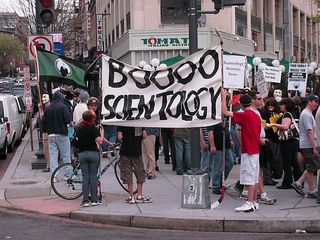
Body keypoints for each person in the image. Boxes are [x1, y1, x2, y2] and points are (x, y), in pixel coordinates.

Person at [222, 89, 261, 213]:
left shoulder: (245, 115)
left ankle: (249, 202)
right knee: (254, 178)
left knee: (249, 178)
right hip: (255, 149)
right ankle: (254, 202)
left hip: (248, 150)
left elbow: (225, 112)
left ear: (241, 104)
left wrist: (223, 97)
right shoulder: (256, 115)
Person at [270, 98, 302, 189]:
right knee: (293, 161)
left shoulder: (287, 114)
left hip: (287, 141)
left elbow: (285, 126)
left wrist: (273, 124)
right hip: (294, 140)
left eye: (281, 104)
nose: (280, 106)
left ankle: (287, 182)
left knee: (287, 162)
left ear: (286, 105)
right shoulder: (293, 113)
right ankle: (298, 180)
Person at [292, 94, 319, 198]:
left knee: (311, 167)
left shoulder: (307, 113)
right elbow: (310, 132)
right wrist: (314, 147)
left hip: (306, 144)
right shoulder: (307, 114)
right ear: (309, 102)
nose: (316, 104)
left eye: (317, 102)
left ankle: (312, 190)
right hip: (308, 144)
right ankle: (298, 183)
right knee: (312, 166)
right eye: (315, 102)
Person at [76, 110, 104, 207]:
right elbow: (100, 141)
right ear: (92, 118)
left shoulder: (79, 128)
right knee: (93, 177)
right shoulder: (93, 128)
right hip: (93, 153)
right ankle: (95, 200)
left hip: (82, 154)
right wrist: (102, 131)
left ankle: (85, 201)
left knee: (85, 178)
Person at [117, 127, 152, 204]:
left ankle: (132, 196)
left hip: (125, 152)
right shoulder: (138, 124)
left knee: (127, 174)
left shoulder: (122, 123)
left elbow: (120, 137)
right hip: (137, 152)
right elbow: (144, 136)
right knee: (139, 173)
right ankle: (139, 195)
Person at [42, 91, 72, 177]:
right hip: (62, 134)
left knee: (53, 156)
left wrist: (46, 131)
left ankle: (54, 176)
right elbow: (68, 119)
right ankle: (68, 175)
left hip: (51, 135)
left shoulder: (47, 108)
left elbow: (43, 121)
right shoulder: (62, 107)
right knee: (66, 155)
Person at [40, 94, 51, 172]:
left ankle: (49, 166)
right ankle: (49, 165)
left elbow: (43, 119)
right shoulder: (49, 108)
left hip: (47, 132)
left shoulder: (47, 109)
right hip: (49, 131)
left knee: (47, 150)